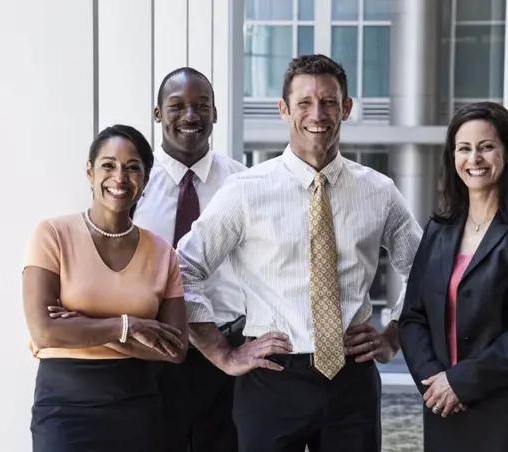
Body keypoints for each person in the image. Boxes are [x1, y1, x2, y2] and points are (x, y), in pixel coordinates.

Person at [175, 54, 423, 452]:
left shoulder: (378, 191)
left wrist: (394, 334)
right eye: (304, 102)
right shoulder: (246, 191)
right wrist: (219, 351)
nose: (317, 113)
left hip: (352, 379)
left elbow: (424, 269)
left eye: (328, 102)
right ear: (284, 109)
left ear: (346, 108)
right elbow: (182, 269)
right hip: (272, 377)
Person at [398, 102, 508, 452]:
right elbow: (413, 317)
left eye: (486, 147)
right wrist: (435, 384)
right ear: (453, 158)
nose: (474, 158)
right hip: (444, 409)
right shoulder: (437, 232)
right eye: (464, 148)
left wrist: (460, 382)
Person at [22, 124, 188, 452]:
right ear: (90, 171)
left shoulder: (162, 253)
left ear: (146, 177)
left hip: (137, 408)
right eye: (108, 165)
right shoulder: (52, 234)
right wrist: (130, 326)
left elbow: (176, 349)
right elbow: (43, 331)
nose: (120, 178)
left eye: (132, 168)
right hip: (63, 410)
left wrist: (80, 324)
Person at [133, 67, 247, 452]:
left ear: (215, 113)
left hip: (228, 350)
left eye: (201, 105)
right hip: (155, 353)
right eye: (176, 106)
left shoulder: (242, 182)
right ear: (157, 114)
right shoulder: (133, 185)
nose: (190, 115)